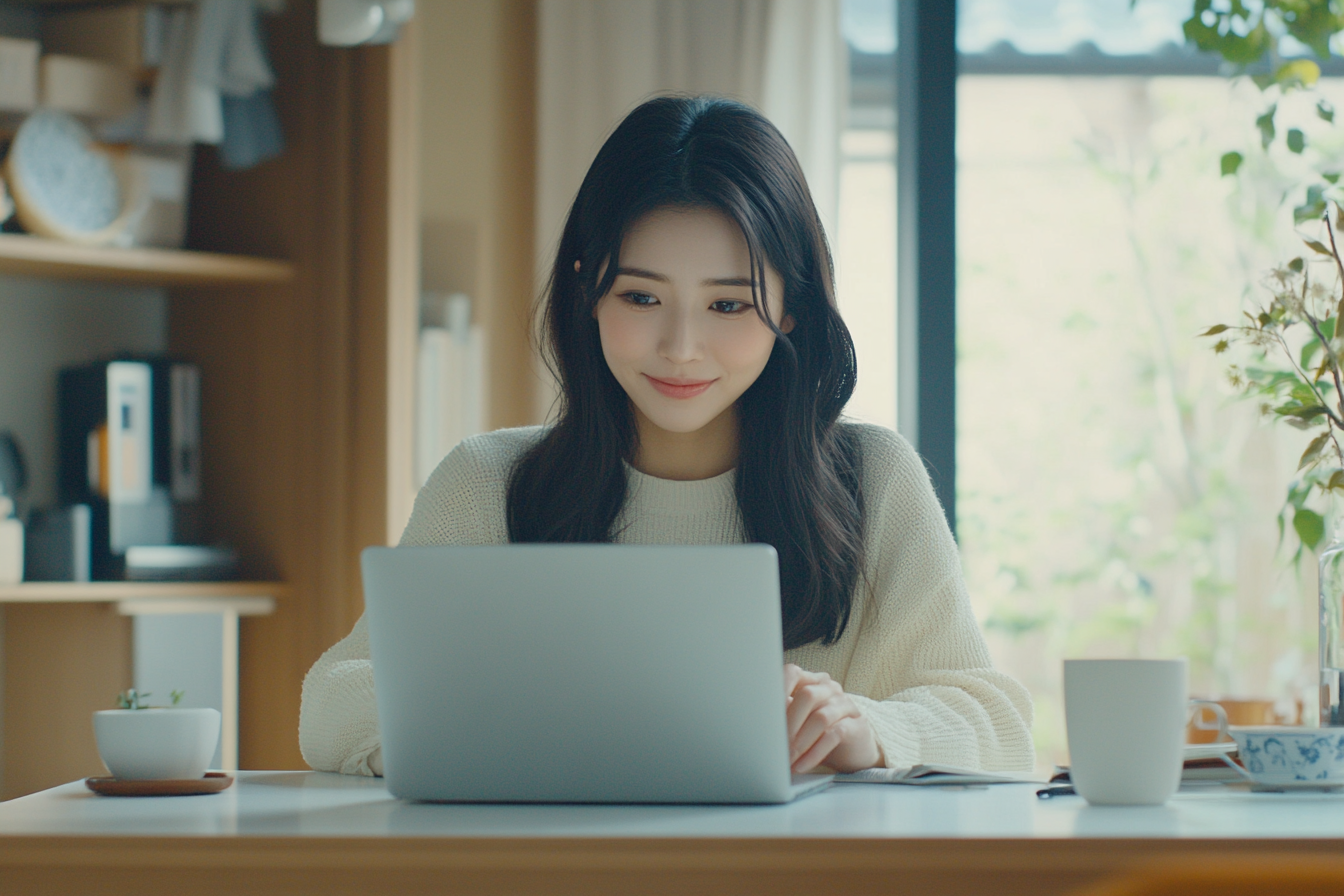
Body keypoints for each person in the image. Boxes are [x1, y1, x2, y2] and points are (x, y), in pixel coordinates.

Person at [299, 95, 1034, 777]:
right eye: (642, 296)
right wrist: (554, 719)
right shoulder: (488, 481)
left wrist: (864, 730)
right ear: (588, 290)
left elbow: (995, 722)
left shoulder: (874, 479)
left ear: (791, 311)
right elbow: (337, 701)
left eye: (727, 304)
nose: (681, 347)